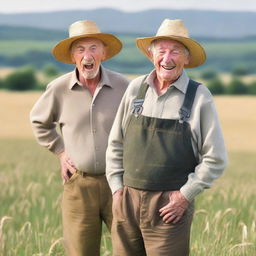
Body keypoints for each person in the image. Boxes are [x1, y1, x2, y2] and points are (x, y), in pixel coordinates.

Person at [106, 19, 228, 256]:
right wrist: (116, 189)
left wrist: (185, 196)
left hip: (170, 206)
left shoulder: (199, 97)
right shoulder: (135, 89)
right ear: (152, 56)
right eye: (161, 51)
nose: (167, 58)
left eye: (175, 52)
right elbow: (115, 143)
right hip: (127, 201)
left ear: (186, 58)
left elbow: (216, 158)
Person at [30, 20, 129, 256]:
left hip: (120, 184)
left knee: (129, 249)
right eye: (81, 49)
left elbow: (137, 128)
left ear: (103, 53)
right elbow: (39, 122)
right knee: (80, 252)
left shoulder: (124, 86)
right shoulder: (58, 88)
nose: (87, 55)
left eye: (94, 48)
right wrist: (61, 152)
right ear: (73, 55)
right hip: (79, 185)